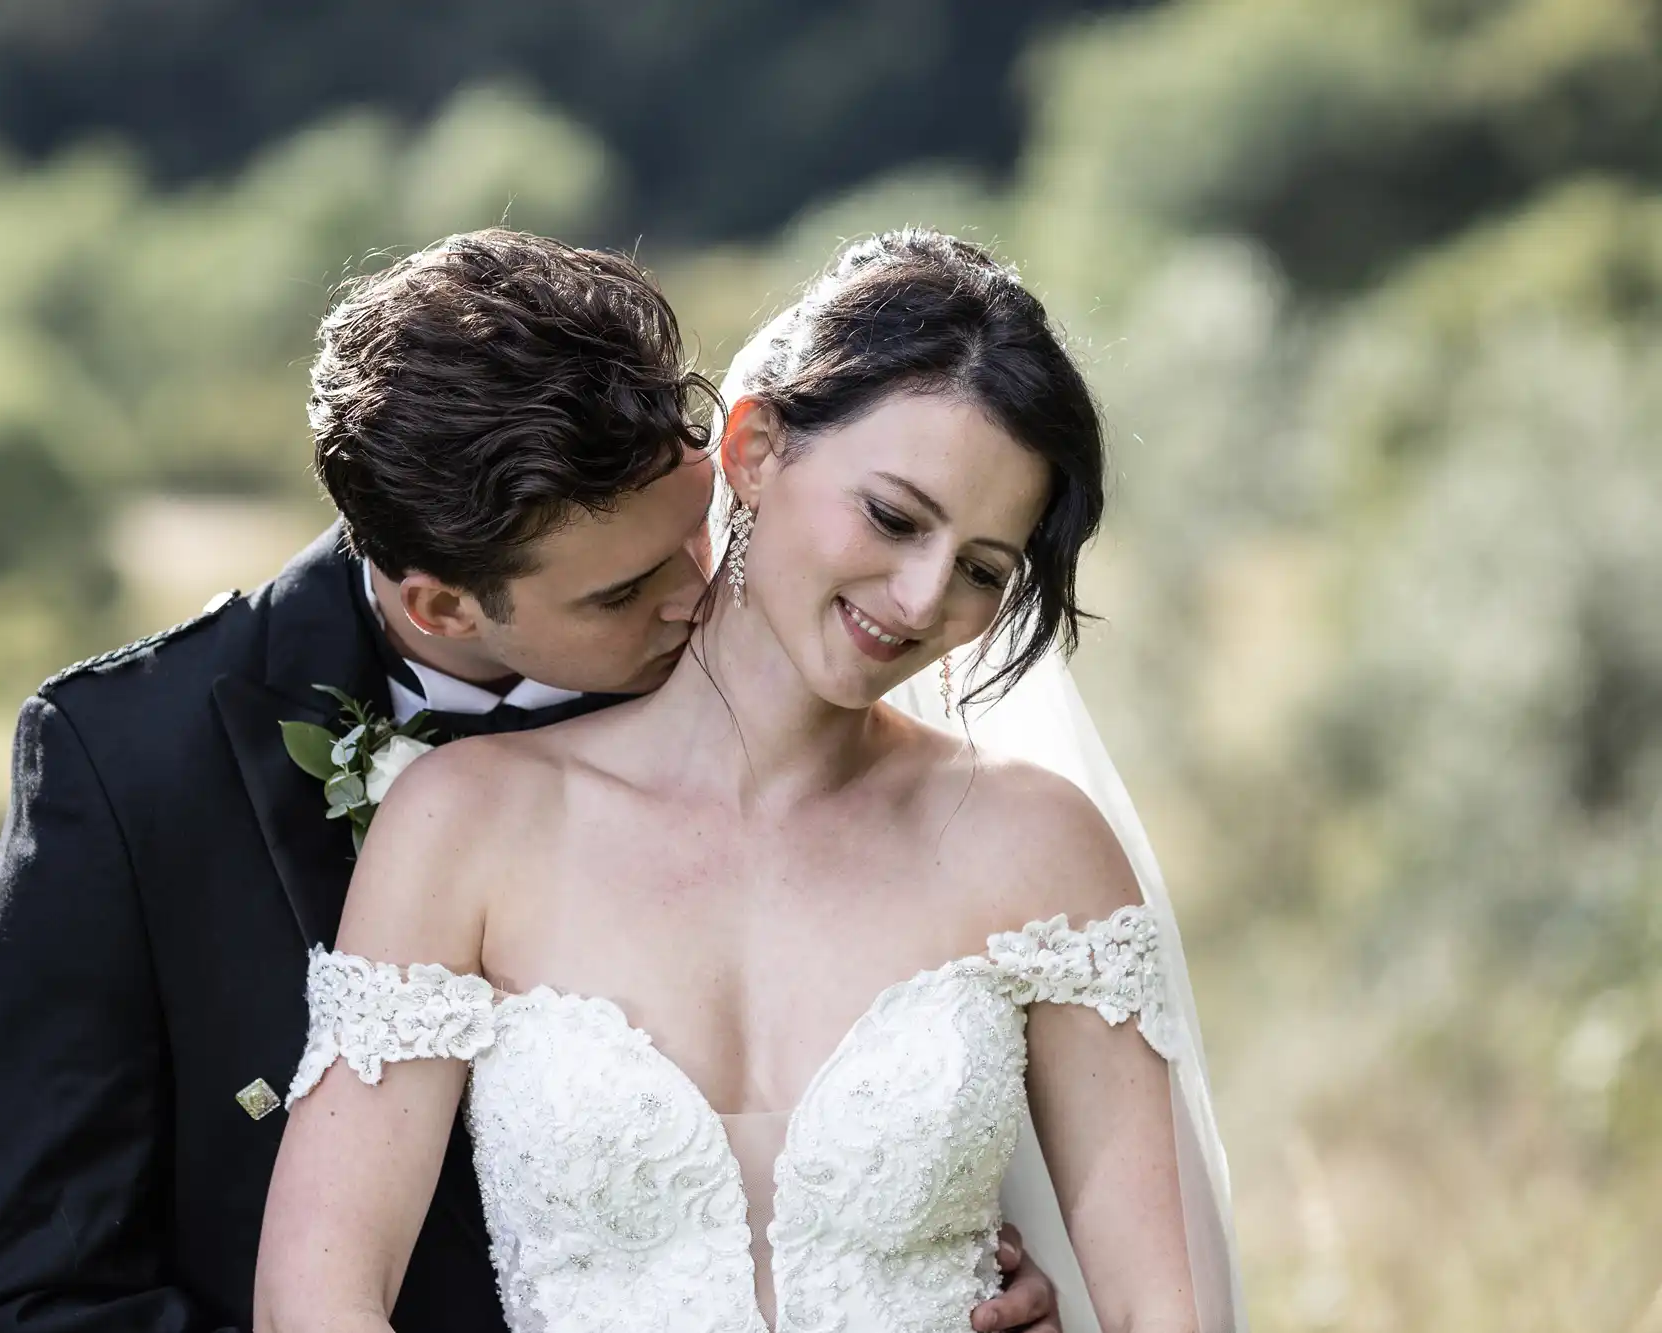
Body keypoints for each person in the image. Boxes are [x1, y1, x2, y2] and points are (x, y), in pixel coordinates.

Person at [0, 229, 1067, 1333]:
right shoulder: (129, 759)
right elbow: (30, 1296)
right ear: (442, 607)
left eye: (701, 536)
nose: (696, 599)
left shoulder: (770, 683)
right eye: (621, 594)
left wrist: (935, 1267)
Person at [254, 230, 1244, 1333]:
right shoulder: (468, 825)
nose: (919, 601)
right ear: (756, 447)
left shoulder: (1034, 846)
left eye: (978, 570)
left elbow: (1173, 1315)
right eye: (892, 516)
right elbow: (317, 1293)